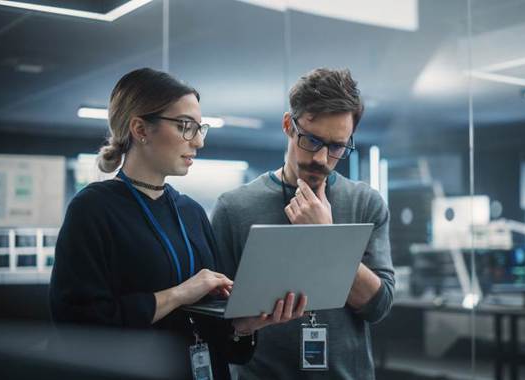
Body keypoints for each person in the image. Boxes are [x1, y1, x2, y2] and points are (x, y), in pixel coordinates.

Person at [49, 68, 306, 380]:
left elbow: (218, 337)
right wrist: (180, 293)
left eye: (200, 129)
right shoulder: (93, 209)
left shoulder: (192, 212)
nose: (197, 142)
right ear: (140, 128)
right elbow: (79, 327)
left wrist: (243, 325)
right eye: (186, 127)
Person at [211, 68, 395, 379]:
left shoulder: (366, 203)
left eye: (337, 146)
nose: (322, 158)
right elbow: (215, 318)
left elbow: (378, 306)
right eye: (312, 140)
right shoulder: (234, 207)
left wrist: (326, 236)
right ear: (288, 125)